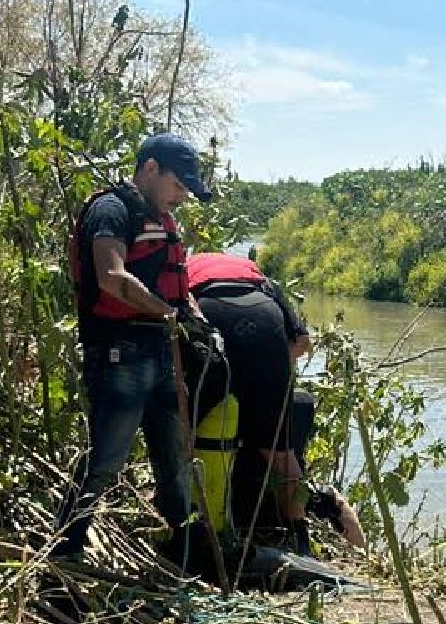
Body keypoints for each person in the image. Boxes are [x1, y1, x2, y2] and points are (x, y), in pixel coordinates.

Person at [52, 133, 214, 559]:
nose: (181, 197)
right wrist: (168, 311)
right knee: (107, 458)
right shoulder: (111, 210)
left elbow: (178, 287)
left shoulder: (160, 218)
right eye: (178, 186)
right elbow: (111, 277)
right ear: (150, 169)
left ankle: (183, 550)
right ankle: (63, 549)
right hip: (119, 350)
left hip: (160, 350)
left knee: (174, 455)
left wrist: (194, 320)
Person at [185, 251, 365, 554]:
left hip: (210, 313)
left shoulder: (183, 269)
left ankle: (189, 529)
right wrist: (268, 369)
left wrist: (233, 378)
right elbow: (302, 342)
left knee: (188, 435)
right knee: (283, 458)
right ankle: (300, 541)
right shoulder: (261, 280)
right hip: (265, 318)